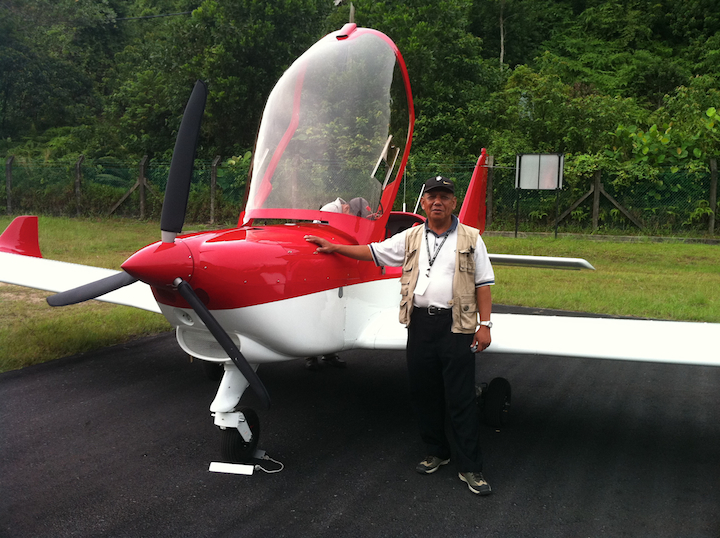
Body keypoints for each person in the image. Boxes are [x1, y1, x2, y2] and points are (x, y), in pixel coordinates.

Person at [305, 175, 495, 496]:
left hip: (456, 325)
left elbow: (483, 283)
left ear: (453, 202)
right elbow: (374, 252)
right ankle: (437, 451)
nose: (437, 202)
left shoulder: (471, 238)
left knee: (461, 397)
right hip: (420, 324)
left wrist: (485, 325)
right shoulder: (411, 236)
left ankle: (470, 467)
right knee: (424, 392)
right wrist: (336, 247)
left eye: (444, 197)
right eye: (432, 197)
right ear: (424, 203)